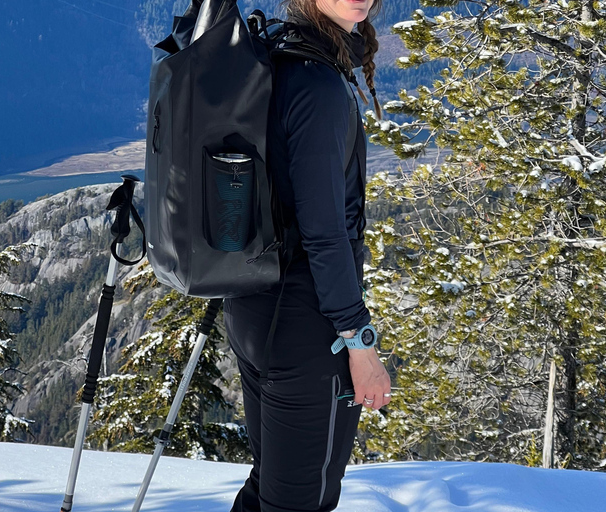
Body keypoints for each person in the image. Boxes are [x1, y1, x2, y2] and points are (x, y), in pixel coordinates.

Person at [222, 0, 391, 510]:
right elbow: (325, 232)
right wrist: (360, 345)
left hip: (254, 310)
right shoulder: (318, 85)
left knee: (271, 488)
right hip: (305, 330)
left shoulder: (276, 56)